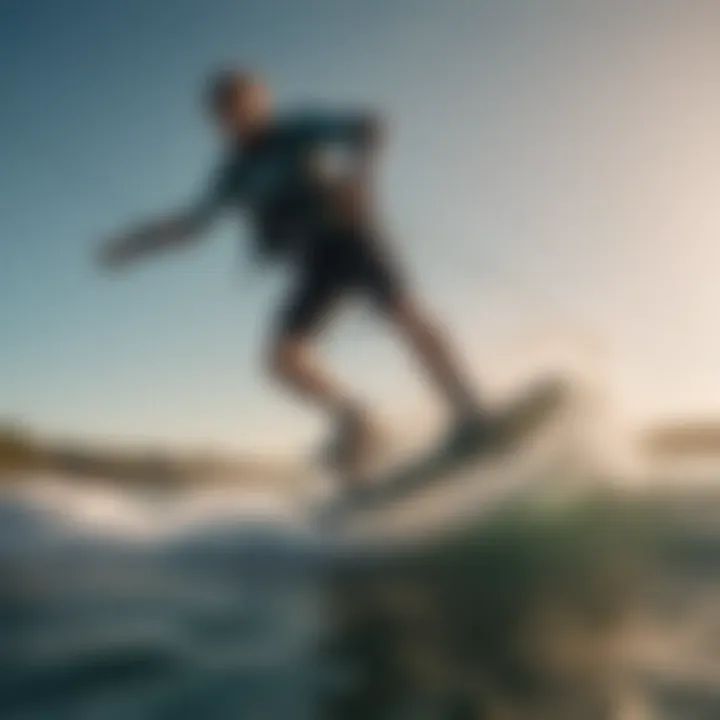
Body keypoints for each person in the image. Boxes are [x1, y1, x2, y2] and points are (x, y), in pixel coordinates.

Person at [97, 70, 490, 479]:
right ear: (219, 121)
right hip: (316, 263)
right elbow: (190, 226)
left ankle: (470, 412)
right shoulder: (232, 174)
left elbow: (370, 125)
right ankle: (357, 419)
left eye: (244, 106)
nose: (237, 119)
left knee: (406, 315)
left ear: (261, 101)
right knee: (281, 361)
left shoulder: (298, 130)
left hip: (353, 236)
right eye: (227, 114)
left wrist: (362, 178)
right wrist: (132, 246)